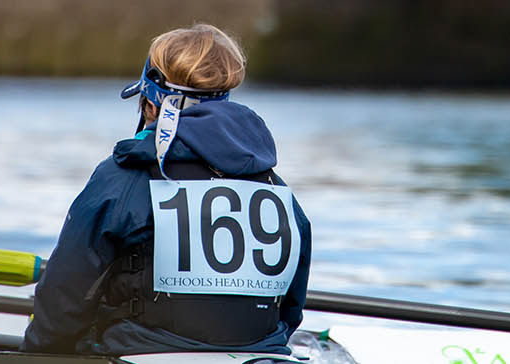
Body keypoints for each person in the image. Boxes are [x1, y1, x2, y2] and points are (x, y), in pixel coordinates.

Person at [23, 24, 312, 355]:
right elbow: (290, 310)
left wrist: (34, 353)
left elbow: (63, 300)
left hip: (141, 353)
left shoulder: (123, 177)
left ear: (148, 100)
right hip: (260, 354)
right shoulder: (276, 188)